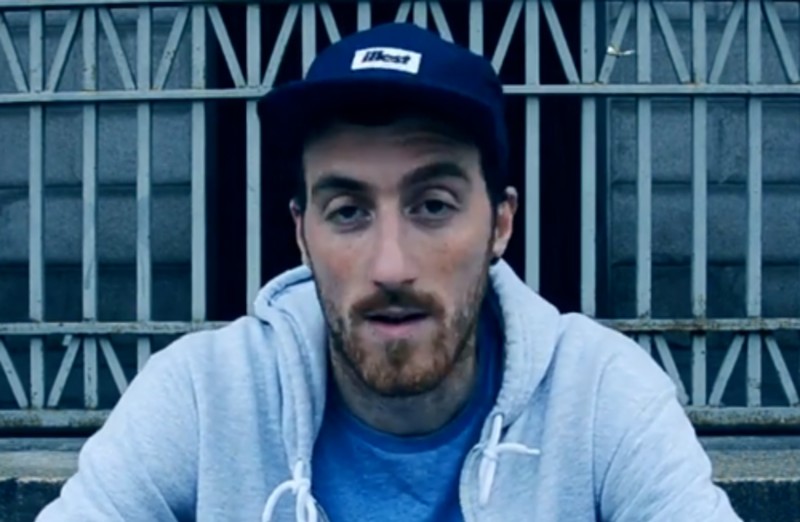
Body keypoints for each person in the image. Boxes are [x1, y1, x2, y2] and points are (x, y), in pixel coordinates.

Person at [37, 22, 741, 522]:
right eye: (347, 211)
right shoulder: (203, 395)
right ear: (301, 234)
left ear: (500, 224)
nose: (391, 266)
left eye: (433, 205)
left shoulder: (601, 396)